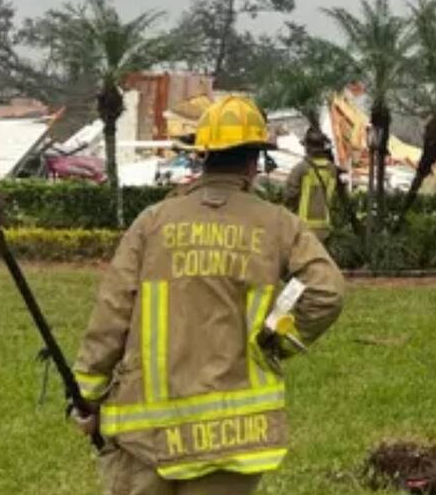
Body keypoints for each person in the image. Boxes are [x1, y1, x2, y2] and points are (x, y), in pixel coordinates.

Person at [72, 95, 345, 494]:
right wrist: (278, 337)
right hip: (235, 437)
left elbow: (112, 313)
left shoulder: (153, 222)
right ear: (254, 162)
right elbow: (326, 290)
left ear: (202, 157)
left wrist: (88, 393)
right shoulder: (278, 225)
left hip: (147, 438)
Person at [283, 128, 338, 242]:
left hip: (303, 227)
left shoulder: (301, 169)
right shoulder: (332, 170)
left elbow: (289, 196)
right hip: (324, 228)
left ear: (307, 148)